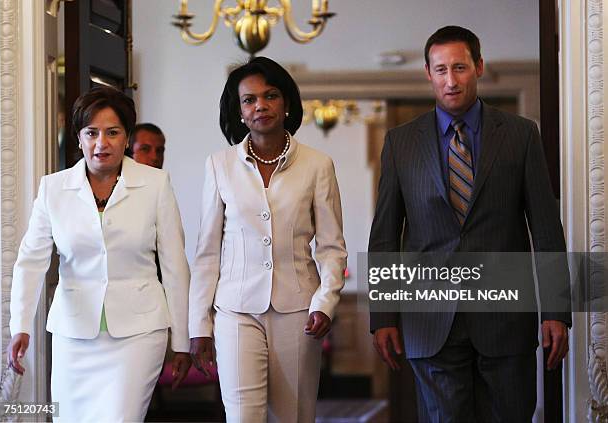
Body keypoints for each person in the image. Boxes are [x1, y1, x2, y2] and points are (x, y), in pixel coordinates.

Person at [369, 26, 571, 422]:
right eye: (440, 69)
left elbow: (546, 228)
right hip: (430, 321)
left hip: (506, 319)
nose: (451, 80)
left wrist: (556, 310)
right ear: (428, 73)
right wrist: (383, 316)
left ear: (479, 66)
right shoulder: (401, 143)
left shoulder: (520, 135)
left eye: (459, 67)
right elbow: (385, 237)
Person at [7, 86, 192, 422]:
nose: (101, 143)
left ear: (126, 138)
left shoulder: (155, 184)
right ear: (78, 138)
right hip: (73, 334)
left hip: (139, 332)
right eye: (91, 133)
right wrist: (19, 325)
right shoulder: (53, 189)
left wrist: (182, 340)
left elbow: (175, 266)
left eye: (112, 132)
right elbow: (30, 262)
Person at [188, 56, 347, 422]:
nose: (260, 105)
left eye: (270, 95)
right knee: (243, 416)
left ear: (286, 103)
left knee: (293, 416)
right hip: (235, 310)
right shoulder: (219, 165)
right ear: (240, 111)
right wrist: (199, 324)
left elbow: (331, 247)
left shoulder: (317, 165)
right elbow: (208, 252)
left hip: (298, 311)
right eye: (249, 99)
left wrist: (325, 302)